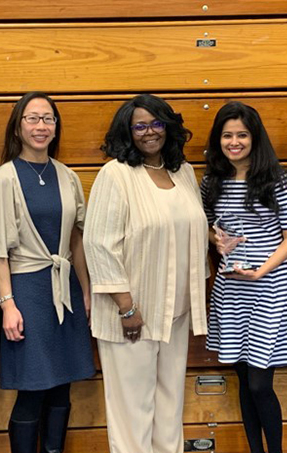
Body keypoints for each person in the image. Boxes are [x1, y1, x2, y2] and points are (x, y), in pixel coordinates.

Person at [83, 94, 208, 453]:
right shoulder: (116, 175)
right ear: (128, 131)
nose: (149, 132)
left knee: (170, 409)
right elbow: (99, 244)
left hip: (176, 312)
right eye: (140, 125)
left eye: (156, 124)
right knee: (132, 413)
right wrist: (126, 307)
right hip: (131, 315)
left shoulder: (182, 171)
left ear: (168, 128)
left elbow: (189, 226)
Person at [0, 92, 95, 453]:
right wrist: (8, 304)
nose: (40, 126)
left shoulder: (67, 176)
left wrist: (87, 292)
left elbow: (76, 241)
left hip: (65, 291)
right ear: (18, 126)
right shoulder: (4, 178)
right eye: (32, 118)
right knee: (33, 387)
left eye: (48, 119)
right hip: (26, 291)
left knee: (63, 385)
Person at [201, 101, 287, 453]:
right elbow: (208, 231)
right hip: (230, 288)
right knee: (243, 379)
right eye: (227, 135)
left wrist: (260, 270)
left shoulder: (276, 179)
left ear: (254, 138)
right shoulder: (212, 181)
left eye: (242, 134)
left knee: (260, 383)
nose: (234, 142)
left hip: (269, 287)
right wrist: (216, 239)